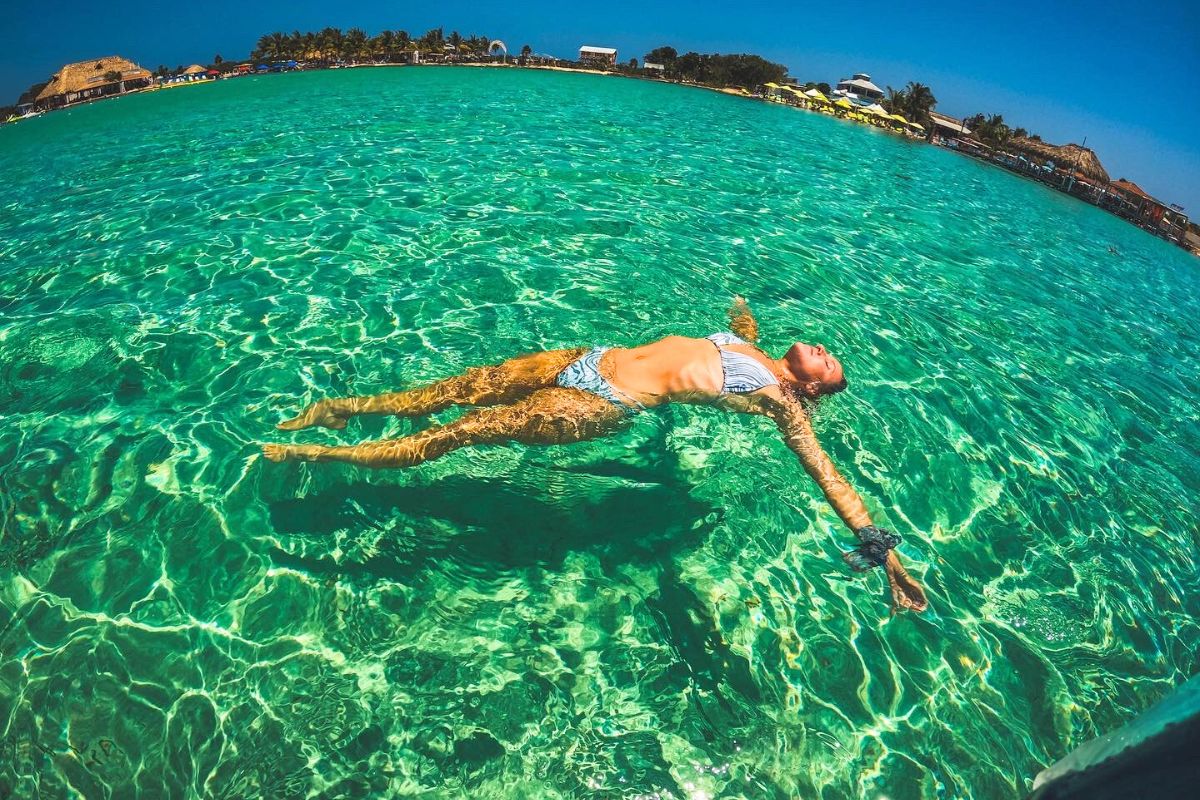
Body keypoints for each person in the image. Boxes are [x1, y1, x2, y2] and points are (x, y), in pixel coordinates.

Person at [263, 297, 928, 612]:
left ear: (811, 387)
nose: (825, 350)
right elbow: (725, 344)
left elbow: (828, 477)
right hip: (587, 357)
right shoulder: (754, 346)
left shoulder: (783, 403)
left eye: (829, 365)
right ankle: (342, 411)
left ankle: (322, 452)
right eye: (829, 352)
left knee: (462, 431)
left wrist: (885, 554)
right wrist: (745, 319)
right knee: (452, 390)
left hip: (600, 404)